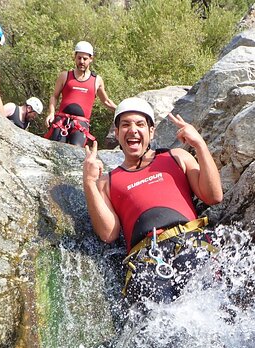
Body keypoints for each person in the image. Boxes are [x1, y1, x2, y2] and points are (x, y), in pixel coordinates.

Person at [83, 97, 223, 306]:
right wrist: (89, 182)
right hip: (146, 262)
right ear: (116, 133)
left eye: (140, 124)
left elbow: (214, 196)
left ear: (151, 131)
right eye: (125, 125)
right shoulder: (106, 183)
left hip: (190, 245)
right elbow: (108, 234)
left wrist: (200, 145)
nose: (132, 130)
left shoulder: (177, 157)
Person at [44, 41, 116, 147]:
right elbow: (54, 96)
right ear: (75, 57)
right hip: (61, 121)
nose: (81, 61)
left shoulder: (96, 80)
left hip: (81, 124)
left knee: (76, 152)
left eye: (85, 59)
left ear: (91, 59)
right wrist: (51, 113)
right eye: (79, 58)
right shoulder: (65, 76)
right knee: (56, 148)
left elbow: (106, 101)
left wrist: (121, 109)